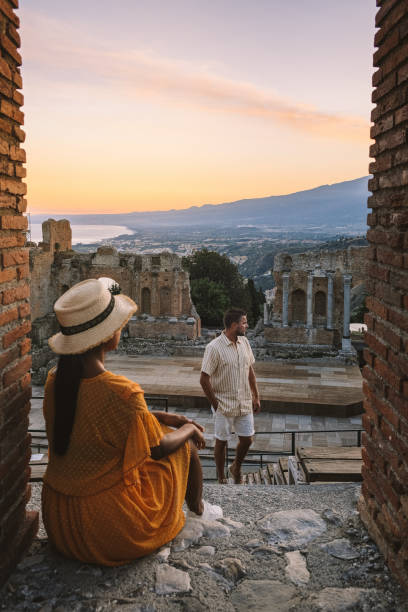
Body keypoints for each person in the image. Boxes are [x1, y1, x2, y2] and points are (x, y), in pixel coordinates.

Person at [42, 278, 205, 566]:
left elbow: (97, 419)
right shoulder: (121, 391)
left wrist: (162, 416)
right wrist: (189, 427)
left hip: (61, 520)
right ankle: (198, 510)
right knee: (186, 448)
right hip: (109, 528)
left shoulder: (55, 380)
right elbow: (158, 447)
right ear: (105, 336)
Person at [200, 308, 260, 484]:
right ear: (234, 325)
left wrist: (256, 396)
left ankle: (236, 467)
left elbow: (250, 370)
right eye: (244, 322)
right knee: (221, 441)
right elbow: (204, 379)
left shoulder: (245, 343)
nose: (246, 325)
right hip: (223, 404)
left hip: (244, 401)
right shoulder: (214, 348)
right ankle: (220, 477)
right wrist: (216, 405)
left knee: (247, 439)